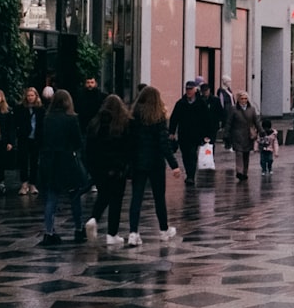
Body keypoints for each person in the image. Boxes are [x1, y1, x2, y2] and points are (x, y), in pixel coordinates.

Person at [128, 86, 180, 245]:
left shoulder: (133, 116)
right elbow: (164, 143)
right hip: (156, 163)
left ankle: (133, 232)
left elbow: (130, 142)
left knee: (136, 198)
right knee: (159, 198)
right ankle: (164, 230)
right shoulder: (158, 117)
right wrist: (174, 165)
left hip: (138, 162)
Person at [84, 94, 136, 245]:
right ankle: (112, 234)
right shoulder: (123, 124)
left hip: (98, 168)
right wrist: (125, 166)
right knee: (116, 201)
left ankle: (94, 218)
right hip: (117, 169)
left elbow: (89, 148)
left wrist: (91, 167)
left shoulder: (95, 123)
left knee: (103, 195)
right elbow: (129, 148)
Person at [37, 89, 86, 246]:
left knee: (52, 198)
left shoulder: (47, 119)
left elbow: (42, 139)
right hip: (67, 161)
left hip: (50, 161)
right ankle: (78, 229)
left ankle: (49, 231)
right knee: (74, 196)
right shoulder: (71, 119)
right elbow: (78, 141)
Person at [168, 80, 214, 186]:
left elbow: (207, 120)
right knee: (185, 155)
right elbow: (174, 118)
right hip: (183, 134)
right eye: (187, 89)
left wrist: (207, 134)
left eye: (190, 89)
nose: (188, 91)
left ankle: (191, 176)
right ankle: (189, 173)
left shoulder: (201, 103)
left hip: (196, 134)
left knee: (192, 154)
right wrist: (172, 132)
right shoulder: (181, 103)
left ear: (195, 90)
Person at [224, 90, 263, 181]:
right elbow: (229, 122)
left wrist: (261, 131)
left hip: (248, 135)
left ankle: (245, 172)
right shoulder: (234, 109)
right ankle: (239, 171)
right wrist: (226, 134)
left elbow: (256, 122)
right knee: (239, 153)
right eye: (242, 99)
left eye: (245, 99)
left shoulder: (252, 109)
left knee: (246, 154)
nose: (244, 100)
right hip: (237, 135)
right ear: (238, 99)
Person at [14, 87, 44, 196]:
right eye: (28, 95)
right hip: (24, 137)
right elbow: (17, 122)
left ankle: (33, 184)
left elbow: (42, 124)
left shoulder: (41, 109)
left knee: (34, 161)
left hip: (36, 138)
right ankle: (24, 183)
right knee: (23, 161)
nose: (30, 98)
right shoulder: (21, 108)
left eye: (32, 95)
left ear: (36, 96)